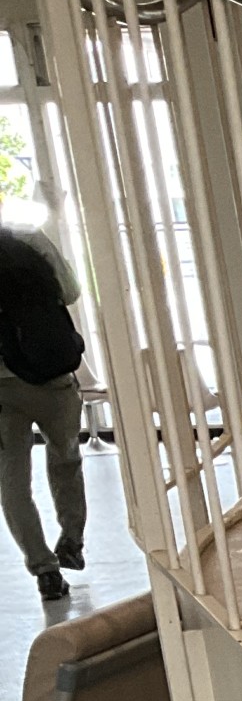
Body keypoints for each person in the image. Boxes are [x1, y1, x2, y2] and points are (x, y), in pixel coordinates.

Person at [0, 224, 87, 603]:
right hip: (53, 376)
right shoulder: (29, 239)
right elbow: (70, 292)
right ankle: (72, 540)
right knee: (66, 457)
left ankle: (45, 571)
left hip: (2, 389)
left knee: (13, 481)